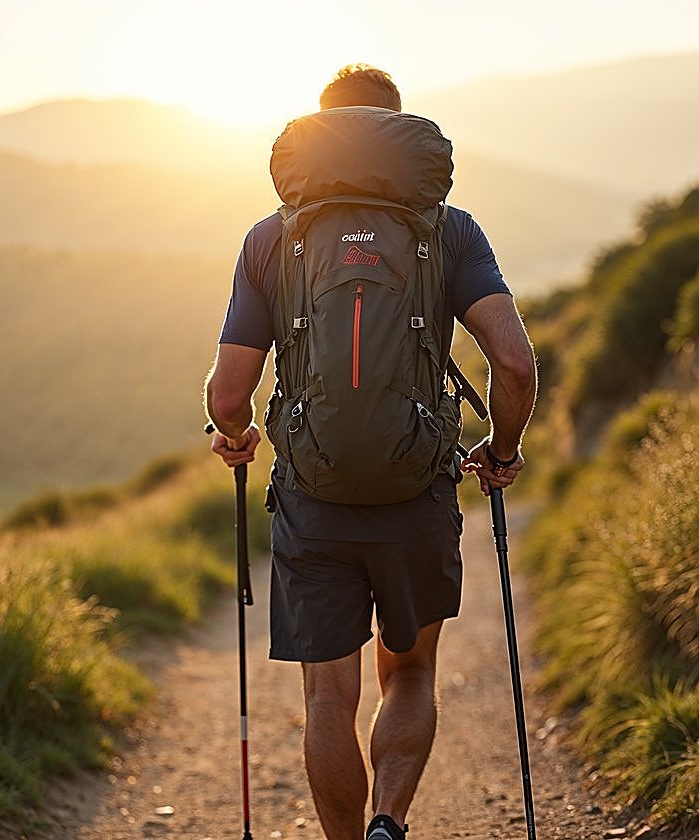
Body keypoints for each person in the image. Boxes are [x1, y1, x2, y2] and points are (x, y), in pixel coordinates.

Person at [203, 65, 537, 840]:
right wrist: (502, 447)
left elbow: (229, 396)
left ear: (320, 133)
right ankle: (389, 820)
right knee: (412, 671)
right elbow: (515, 366)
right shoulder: (449, 231)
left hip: (313, 497)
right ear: (398, 129)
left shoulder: (270, 238)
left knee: (328, 698)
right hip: (416, 490)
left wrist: (236, 435)